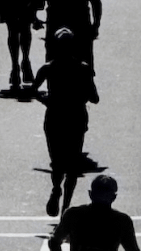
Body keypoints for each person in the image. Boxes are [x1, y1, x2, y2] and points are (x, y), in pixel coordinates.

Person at [35, 28, 99, 215]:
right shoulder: (84, 68)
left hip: (55, 117)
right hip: (76, 117)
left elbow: (33, 90)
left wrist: (46, 99)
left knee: (57, 161)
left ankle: (56, 188)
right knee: (73, 164)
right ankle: (66, 207)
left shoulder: (48, 68)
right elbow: (95, 98)